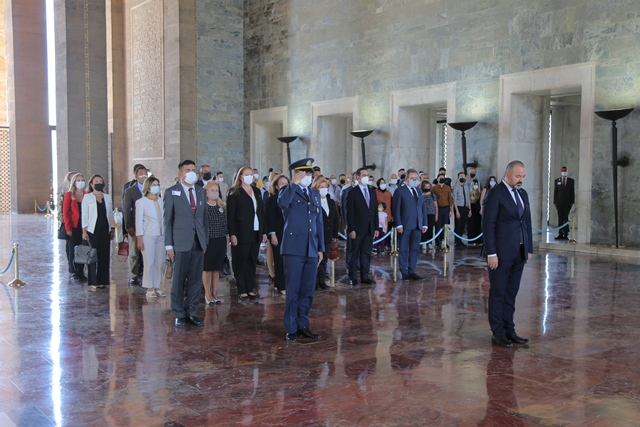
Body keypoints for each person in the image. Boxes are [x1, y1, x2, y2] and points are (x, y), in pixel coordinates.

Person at [482, 160, 533, 348]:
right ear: (508, 174)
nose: (521, 180)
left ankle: (509, 329)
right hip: (500, 254)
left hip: (518, 252)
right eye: (518, 176)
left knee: (511, 293)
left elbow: (526, 222)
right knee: (498, 293)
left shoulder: (523, 194)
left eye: (523, 176)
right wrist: (491, 253)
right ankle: (498, 332)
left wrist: (528, 248)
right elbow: (488, 225)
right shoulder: (495, 194)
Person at [278, 158, 324, 342]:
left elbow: (318, 222)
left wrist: (320, 247)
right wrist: (293, 183)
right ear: (296, 174)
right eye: (304, 173)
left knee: (307, 290)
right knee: (293, 290)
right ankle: (291, 327)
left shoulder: (314, 194)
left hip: (311, 249)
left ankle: (303, 324)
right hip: (294, 249)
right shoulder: (287, 191)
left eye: (310, 173)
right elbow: (282, 203)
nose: (308, 176)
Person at [164, 160, 208, 327]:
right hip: (180, 243)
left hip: (198, 242)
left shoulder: (200, 192)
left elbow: (204, 220)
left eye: (194, 170)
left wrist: (205, 241)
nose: (191, 172)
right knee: (178, 280)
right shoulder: (171, 192)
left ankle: (192, 311)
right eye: (188, 170)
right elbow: (167, 221)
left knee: (196, 280)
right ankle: (179, 313)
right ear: (180, 173)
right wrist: (169, 245)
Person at [227, 166, 267, 301]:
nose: (250, 176)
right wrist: (232, 233)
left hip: (256, 231)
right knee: (241, 261)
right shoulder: (234, 193)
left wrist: (264, 231)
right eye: (247, 174)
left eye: (252, 174)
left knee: (251, 260)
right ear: (240, 177)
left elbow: (261, 212)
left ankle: (250, 288)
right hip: (241, 232)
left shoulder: (256, 191)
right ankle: (242, 288)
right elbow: (230, 216)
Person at [393, 169, 428, 281]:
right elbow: (396, 209)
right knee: (403, 249)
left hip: (418, 225)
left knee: (414, 249)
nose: (413, 180)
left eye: (415, 178)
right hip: (405, 225)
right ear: (406, 178)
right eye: (412, 178)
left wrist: (425, 224)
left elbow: (423, 208)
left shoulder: (419, 191)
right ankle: (404, 271)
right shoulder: (400, 191)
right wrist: (398, 224)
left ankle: (411, 270)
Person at [81, 175, 115, 289]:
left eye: (101, 181)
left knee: (104, 255)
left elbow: (110, 214)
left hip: (105, 229)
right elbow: (84, 215)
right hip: (92, 230)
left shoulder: (107, 197)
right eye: (97, 181)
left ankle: (103, 280)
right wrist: (84, 230)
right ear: (92, 184)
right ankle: (93, 281)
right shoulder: (88, 197)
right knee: (93, 255)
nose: (99, 183)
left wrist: (113, 228)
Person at [346, 167, 378, 286]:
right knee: (354, 253)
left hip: (369, 228)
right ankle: (353, 277)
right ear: (358, 177)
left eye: (367, 175)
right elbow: (350, 212)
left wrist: (375, 228)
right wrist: (351, 228)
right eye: (364, 175)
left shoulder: (372, 192)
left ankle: (365, 276)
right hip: (357, 229)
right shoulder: (352, 192)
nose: (366, 177)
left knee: (366, 253)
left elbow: (374, 211)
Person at [135, 176, 166, 298]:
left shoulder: (160, 201)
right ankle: (149, 287)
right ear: (147, 187)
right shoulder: (141, 202)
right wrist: (139, 238)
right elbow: (139, 221)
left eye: (157, 184)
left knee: (160, 262)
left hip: (161, 235)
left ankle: (157, 286)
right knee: (150, 261)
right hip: (148, 235)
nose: (156, 186)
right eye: (153, 184)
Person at [202, 180, 228, 304]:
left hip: (220, 239)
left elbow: (225, 224)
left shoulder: (221, 206)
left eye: (216, 190)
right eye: (212, 190)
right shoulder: (202, 206)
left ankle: (215, 293)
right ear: (206, 192)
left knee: (217, 269)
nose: (215, 193)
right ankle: (207, 293)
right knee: (207, 268)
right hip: (208, 240)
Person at [312, 176, 339, 291]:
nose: (324, 189)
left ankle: (321, 280)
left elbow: (334, 218)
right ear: (316, 188)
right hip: (316, 235)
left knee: (325, 259)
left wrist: (334, 234)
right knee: (315, 259)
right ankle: (314, 282)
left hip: (327, 235)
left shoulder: (331, 201)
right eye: (321, 187)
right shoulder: (313, 201)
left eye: (325, 187)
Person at [123, 165, 148, 285]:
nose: (144, 175)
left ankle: (146, 272)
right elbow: (126, 209)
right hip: (134, 225)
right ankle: (133, 275)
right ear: (136, 175)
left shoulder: (152, 188)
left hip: (148, 225)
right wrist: (128, 226)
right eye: (141, 173)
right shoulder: (130, 191)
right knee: (134, 252)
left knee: (147, 251)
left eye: (145, 173)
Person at [266, 174, 289, 295]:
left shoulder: (292, 198)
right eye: (282, 183)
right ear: (276, 186)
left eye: (286, 183)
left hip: (290, 234)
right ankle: (281, 285)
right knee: (279, 260)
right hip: (278, 233)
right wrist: (272, 234)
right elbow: (270, 218)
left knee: (288, 260)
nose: (284, 185)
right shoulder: (273, 199)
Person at [63, 173, 86, 281]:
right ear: (74, 182)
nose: (80, 182)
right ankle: (74, 271)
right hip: (73, 226)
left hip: (84, 227)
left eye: (82, 180)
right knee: (72, 249)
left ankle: (81, 271)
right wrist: (68, 228)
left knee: (82, 249)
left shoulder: (87, 194)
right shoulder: (69, 195)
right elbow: (66, 212)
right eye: (78, 180)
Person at [432, 173, 453, 250]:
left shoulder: (447, 188)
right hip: (438, 208)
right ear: (437, 179)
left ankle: (443, 241)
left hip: (446, 208)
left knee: (445, 225)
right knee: (438, 225)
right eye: (440, 178)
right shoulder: (434, 188)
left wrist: (450, 208)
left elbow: (450, 198)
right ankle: (437, 242)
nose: (442, 179)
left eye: (443, 178)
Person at [553, 166, 575, 240]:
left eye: (565, 170)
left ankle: (566, 233)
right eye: (562, 170)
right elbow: (555, 192)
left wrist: (572, 202)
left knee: (566, 218)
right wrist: (555, 201)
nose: (563, 172)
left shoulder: (571, 181)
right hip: (559, 203)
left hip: (567, 203)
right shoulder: (557, 181)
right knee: (560, 218)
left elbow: (572, 192)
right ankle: (560, 233)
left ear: (567, 171)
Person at [452, 171, 471, 248]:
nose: (462, 178)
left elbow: (468, 198)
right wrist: (457, 211)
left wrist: (470, 209)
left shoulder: (466, 187)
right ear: (458, 178)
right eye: (461, 177)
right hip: (458, 207)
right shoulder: (456, 187)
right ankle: (457, 241)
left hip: (465, 207)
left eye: (463, 177)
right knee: (458, 224)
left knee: (463, 224)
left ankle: (460, 240)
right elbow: (455, 200)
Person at [375, 178, 393, 253]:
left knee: (386, 232)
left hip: (388, 216)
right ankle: (376, 246)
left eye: (384, 182)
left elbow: (391, 204)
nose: (383, 184)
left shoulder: (388, 193)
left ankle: (385, 245)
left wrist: (392, 215)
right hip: (378, 217)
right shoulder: (375, 192)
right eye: (381, 183)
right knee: (377, 234)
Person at [421, 181, 438, 252]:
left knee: (430, 228)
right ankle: (424, 242)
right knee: (424, 228)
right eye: (426, 186)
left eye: (428, 186)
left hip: (431, 213)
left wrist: (436, 214)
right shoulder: (421, 195)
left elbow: (436, 205)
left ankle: (430, 242)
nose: (427, 188)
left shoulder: (433, 195)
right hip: (423, 214)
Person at [468, 179, 483, 245]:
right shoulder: (469, 192)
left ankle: (478, 240)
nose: (476, 186)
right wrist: (469, 209)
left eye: (477, 184)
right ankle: (471, 240)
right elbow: (469, 201)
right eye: (474, 184)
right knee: (471, 224)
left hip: (478, 209)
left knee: (478, 224)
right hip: (472, 208)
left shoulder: (480, 192)